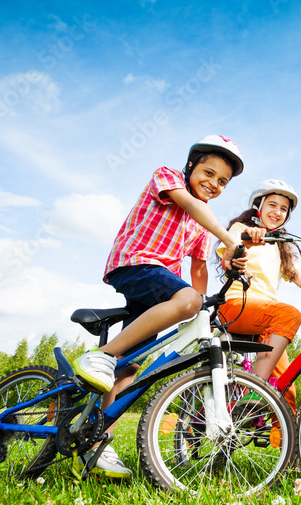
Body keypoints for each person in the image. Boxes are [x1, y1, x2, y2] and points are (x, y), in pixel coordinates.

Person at [71, 135, 246, 478]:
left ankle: (96, 442)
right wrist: (228, 239)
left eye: (222, 181)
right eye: (208, 173)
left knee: (130, 370)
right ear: (191, 165)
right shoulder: (168, 177)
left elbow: (197, 268)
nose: (213, 184)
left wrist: (204, 308)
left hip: (156, 288)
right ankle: (103, 355)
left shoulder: (202, 224)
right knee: (186, 301)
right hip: (135, 264)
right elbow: (191, 205)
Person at [216, 179, 301, 412]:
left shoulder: (279, 243)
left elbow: (299, 278)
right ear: (259, 206)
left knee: (286, 386)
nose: (278, 212)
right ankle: (254, 391)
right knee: (289, 314)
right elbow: (229, 258)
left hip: (267, 318)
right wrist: (248, 241)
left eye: (283, 209)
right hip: (236, 306)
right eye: (272, 205)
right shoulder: (242, 229)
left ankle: (290, 446)